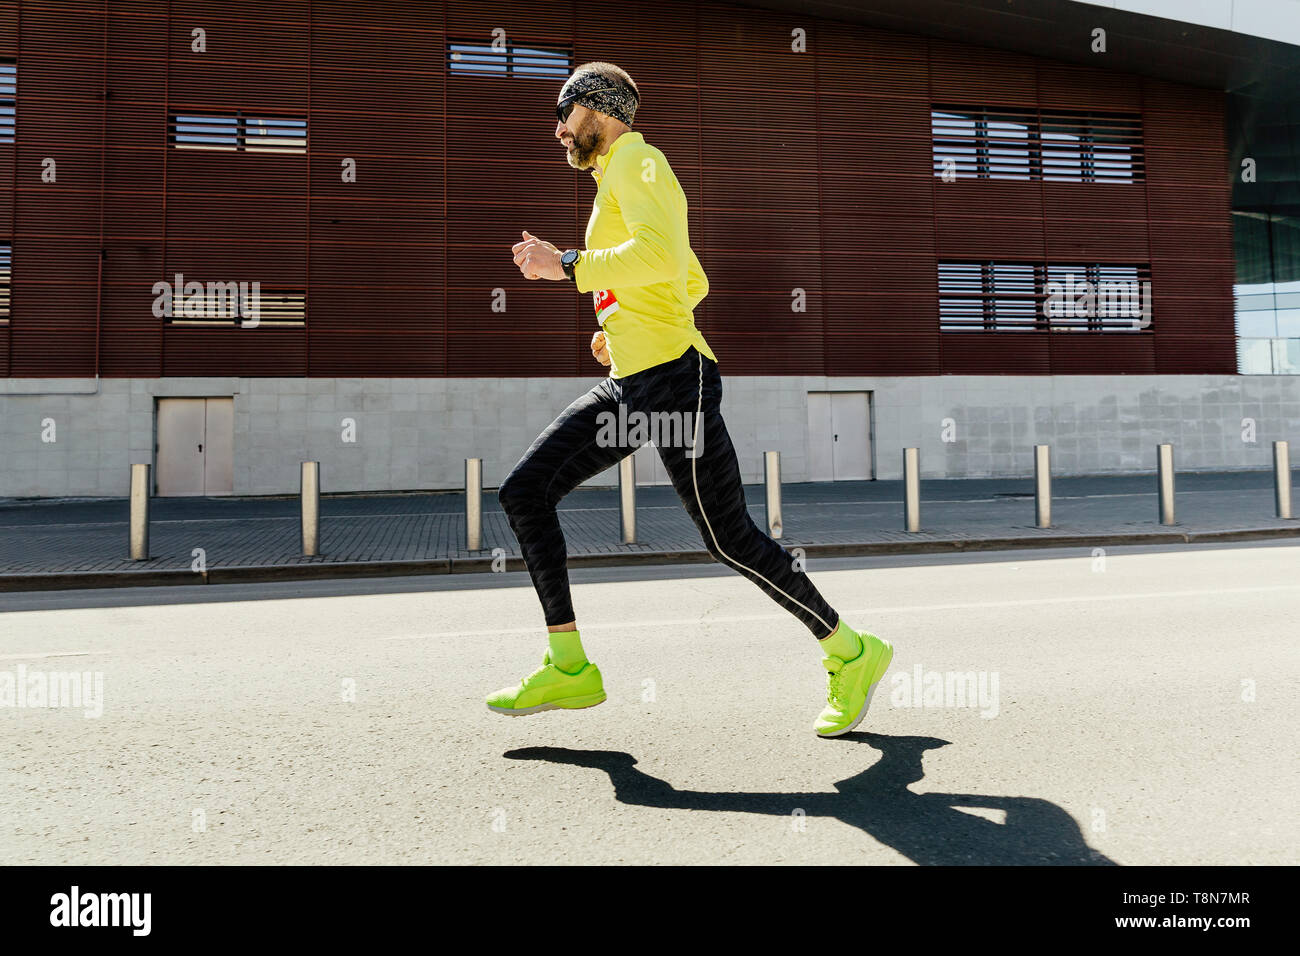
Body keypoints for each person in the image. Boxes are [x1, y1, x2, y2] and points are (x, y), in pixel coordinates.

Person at [492, 62, 892, 737]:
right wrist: (618, 326)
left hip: (673, 380)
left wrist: (564, 266)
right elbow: (692, 280)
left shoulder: (637, 162)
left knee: (721, 536)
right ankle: (569, 664)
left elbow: (663, 260)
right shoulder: (615, 181)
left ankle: (850, 651)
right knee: (534, 494)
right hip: (645, 378)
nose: (558, 129)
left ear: (600, 109)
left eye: (566, 113)